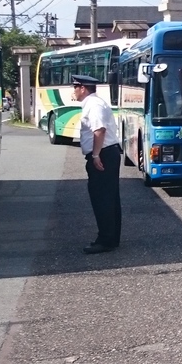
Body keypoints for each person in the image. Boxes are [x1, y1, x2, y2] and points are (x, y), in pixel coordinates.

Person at [72, 74, 122, 254]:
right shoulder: (94, 103)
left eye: (75, 87)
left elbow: (99, 130)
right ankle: (111, 238)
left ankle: (105, 240)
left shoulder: (93, 105)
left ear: (83, 88)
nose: (74, 91)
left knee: (102, 198)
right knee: (109, 197)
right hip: (107, 153)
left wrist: (95, 155)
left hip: (104, 155)